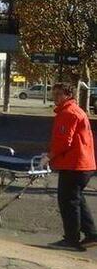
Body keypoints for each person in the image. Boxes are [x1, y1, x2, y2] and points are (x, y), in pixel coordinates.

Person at [45, 82, 97, 252]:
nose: (55, 97)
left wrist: (48, 156)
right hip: (83, 164)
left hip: (74, 164)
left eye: (59, 94)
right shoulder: (75, 111)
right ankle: (91, 234)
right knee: (77, 200)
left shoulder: (68, 113)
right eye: (54, 93)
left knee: (68, 201)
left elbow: (63, 141)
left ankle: (71, 239)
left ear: (68, 95)